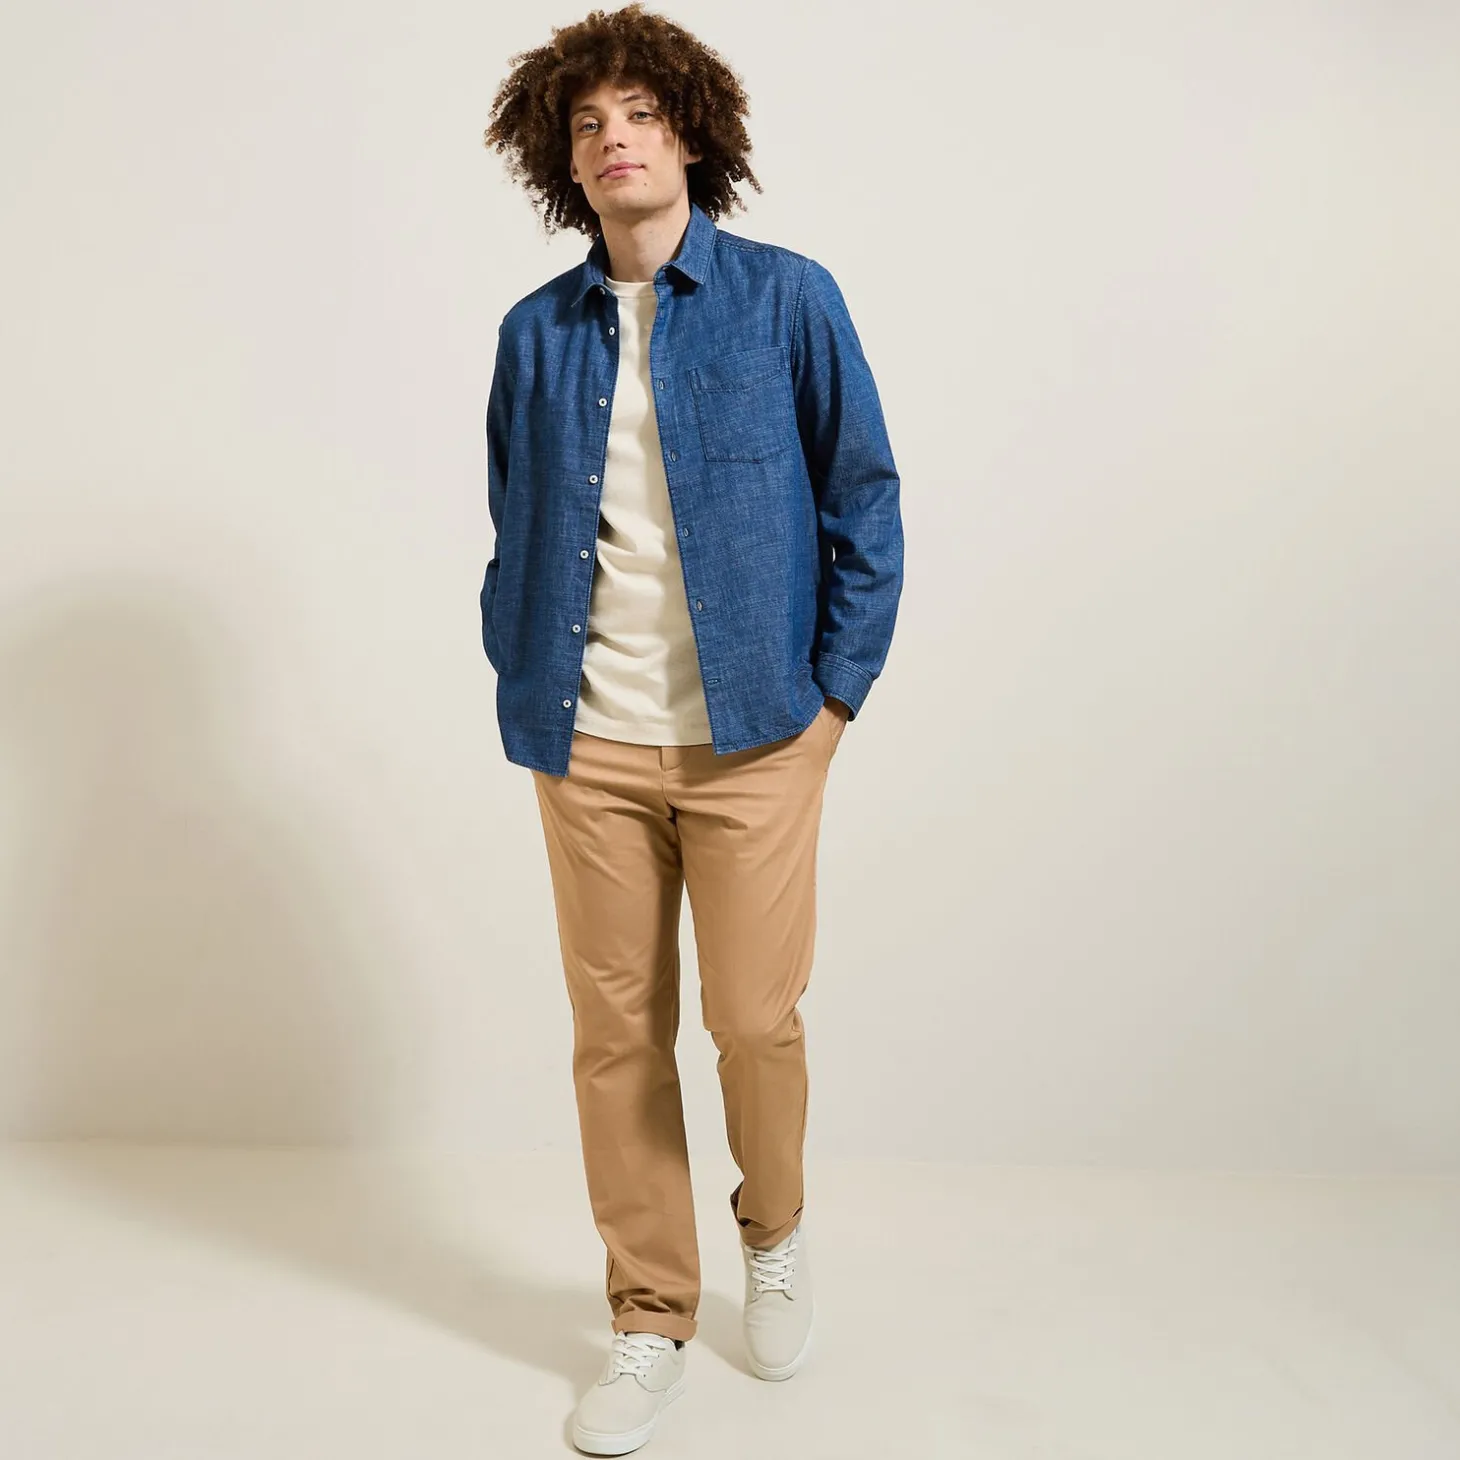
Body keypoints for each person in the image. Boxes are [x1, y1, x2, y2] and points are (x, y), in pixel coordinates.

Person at [480, 5, 903, 1452]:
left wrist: (831, 704)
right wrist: (524, 685)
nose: (616, 140)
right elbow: (514, 528)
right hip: (587, 744)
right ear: (562, 160)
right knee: (615, 1035)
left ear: (691, 134)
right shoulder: (534, 336)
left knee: (752, 1020)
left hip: (758, 738)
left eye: (641, 115)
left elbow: (865, 501)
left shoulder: (789, 300)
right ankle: (650, 1313)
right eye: (588, 123)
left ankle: (771, 1233)